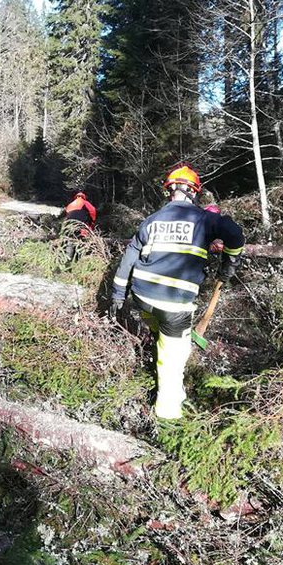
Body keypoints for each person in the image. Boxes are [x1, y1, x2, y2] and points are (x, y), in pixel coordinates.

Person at [111, 164, 245, 420]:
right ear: (194, 192)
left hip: (142, 298)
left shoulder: (151, 221)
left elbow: (128, 259)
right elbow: (236, 237)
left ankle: (154, 354)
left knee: (157, 330)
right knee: (173, 362)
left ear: (168, 192)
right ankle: (167, 417)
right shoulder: (205, 219)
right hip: (174, 305)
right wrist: (229, 264)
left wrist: (118, 294)